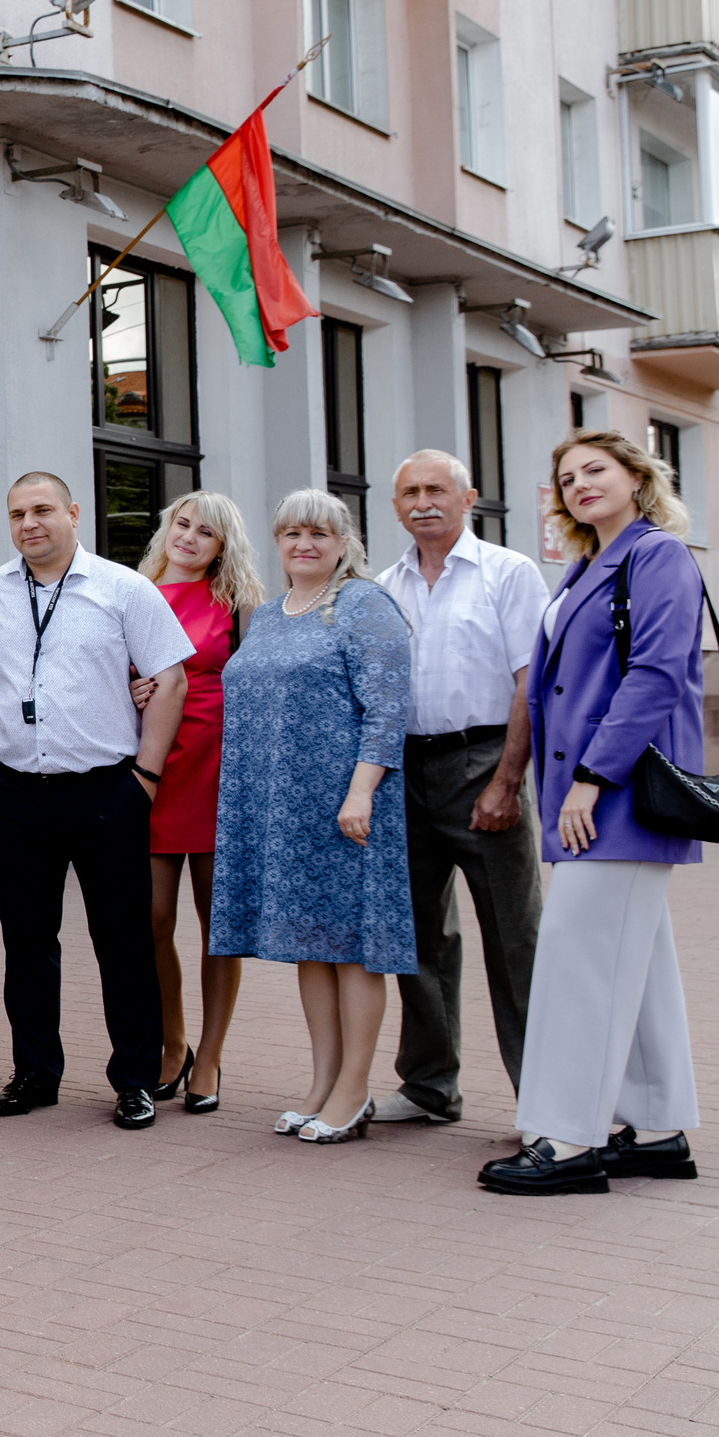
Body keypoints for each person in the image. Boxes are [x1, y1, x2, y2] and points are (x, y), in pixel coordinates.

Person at [479, 431, 707, 1196]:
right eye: (566, 477)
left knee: (580, 961)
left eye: (595, 470)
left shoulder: (658, 554)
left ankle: (569, 1139)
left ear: (639, 477)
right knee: (634, 966)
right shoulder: (584, 568)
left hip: (615, 794)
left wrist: (591, 778)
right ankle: (656, 1127)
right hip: (590, 794)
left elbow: (656, 672)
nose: (578, 484)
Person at [0, 472, 190, 1131]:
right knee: (26, 941)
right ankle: (34, 1073)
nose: (30, 523)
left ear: (74, 513)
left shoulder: (122, 588)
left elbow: (170, 677)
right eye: (17, 512)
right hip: (16, 790)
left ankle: (135, 1078)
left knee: (123, 939)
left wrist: (147, 775)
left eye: (43, 509)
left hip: (109, 788)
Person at [209, 490, 413, 1144]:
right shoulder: (267, 616)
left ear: (343, 540)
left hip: (346, 805)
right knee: (312, 949)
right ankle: (322, 1083)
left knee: (354, 949)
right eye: (293, 532)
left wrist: (360, 792)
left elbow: (387, 709)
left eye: (318, 533)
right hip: (284, 810)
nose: (304, 543)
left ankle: (354, 1089)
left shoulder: (363, 605)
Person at [371, 451, 548, 1129]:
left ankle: (544, 1098)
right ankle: (428, 1085)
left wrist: (508, 779)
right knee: (417, 937)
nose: (423, 502)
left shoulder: (508, 573)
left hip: (483, 762)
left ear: (467, 496)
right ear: (395, 507)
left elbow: (532, 682)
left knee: (515, 938)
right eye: (409, 492)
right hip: (404, 770)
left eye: (436, 489)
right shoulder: (384, 585)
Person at [132, 492, 264, 1115]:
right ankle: (172, 1042)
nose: (188, 537)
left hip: (219, 768)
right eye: (181, 523)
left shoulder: (237, 603)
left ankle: (210, 1054)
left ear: (222, 546)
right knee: (152, 922)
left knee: (221, 926)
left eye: (204, 532)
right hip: (153, 766)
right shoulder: (133, 590)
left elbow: (262, 683)